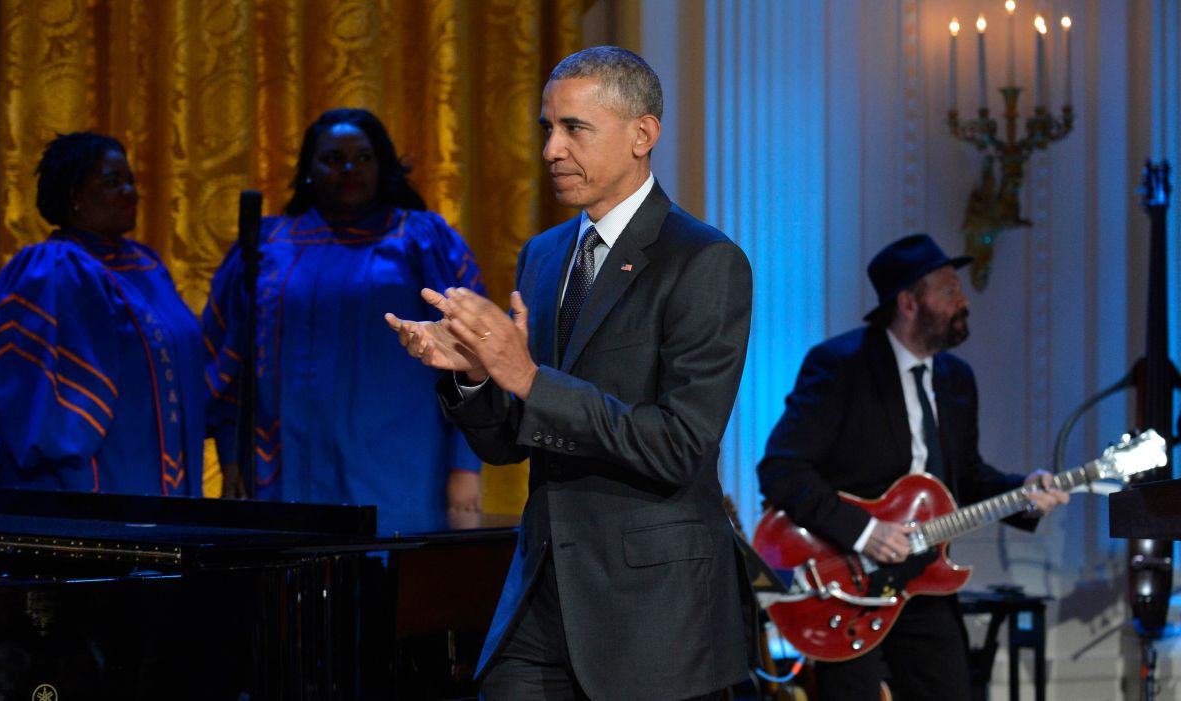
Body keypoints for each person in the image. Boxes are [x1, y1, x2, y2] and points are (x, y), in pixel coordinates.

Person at [386, 46, 756, 700]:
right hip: (543, 591)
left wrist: (527, 378)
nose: (552, 149)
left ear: (643, 134)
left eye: (574, 129)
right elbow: (506, 443)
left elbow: (677, 446)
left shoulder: (704, 261)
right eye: (546, 129)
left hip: (651, 609)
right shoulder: (544, 254)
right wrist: (475, 376)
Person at [756, 233, 1069, 700]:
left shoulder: (956, 379)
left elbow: (963, 479)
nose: (964, 300)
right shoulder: (841, 367)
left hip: (924, 585)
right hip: (848, 587)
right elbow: (781, 469)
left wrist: (1024, 491)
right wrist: (864, 532)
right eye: (948, 291)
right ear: (908, 302)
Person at [204, 108, 484, 514]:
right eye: (333, 159)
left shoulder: (420, 238)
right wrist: (231, 454)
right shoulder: (267, 246)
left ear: (382, 165)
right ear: (309, 170)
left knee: (390, 573)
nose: (350, 168)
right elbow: (232, 359)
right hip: (283, 467)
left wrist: (465, 466)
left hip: (401, 471)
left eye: (364, 157)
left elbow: (472, 353)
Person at [0, 132, 205, 495]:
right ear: (75, 198)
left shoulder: (145, 265)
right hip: (99, 482)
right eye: (111, 182)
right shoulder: (53, 269)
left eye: (130, 180)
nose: (129, 191)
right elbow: (49, 403)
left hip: (163, 476)